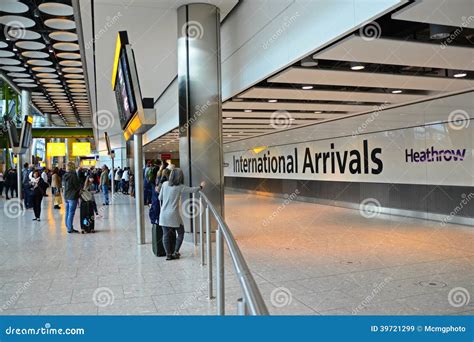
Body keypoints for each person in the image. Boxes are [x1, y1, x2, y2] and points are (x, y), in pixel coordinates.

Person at [159, 168, 204, 260]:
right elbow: (193, 190)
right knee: (180, 232)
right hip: (173, 214)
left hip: (163, 214)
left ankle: (168, 255)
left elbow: (160, 197)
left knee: (165, 235)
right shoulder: (180, 187)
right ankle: (175, 252)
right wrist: (201, 186)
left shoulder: (164, 184)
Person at [63, 162, 81, 233]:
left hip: (66, 196)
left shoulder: (65, 175)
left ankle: (68, 226)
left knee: (67, 212)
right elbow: (77, 186)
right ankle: (70, 228)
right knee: (71, 212)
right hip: (73, 196)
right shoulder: (73, 175)